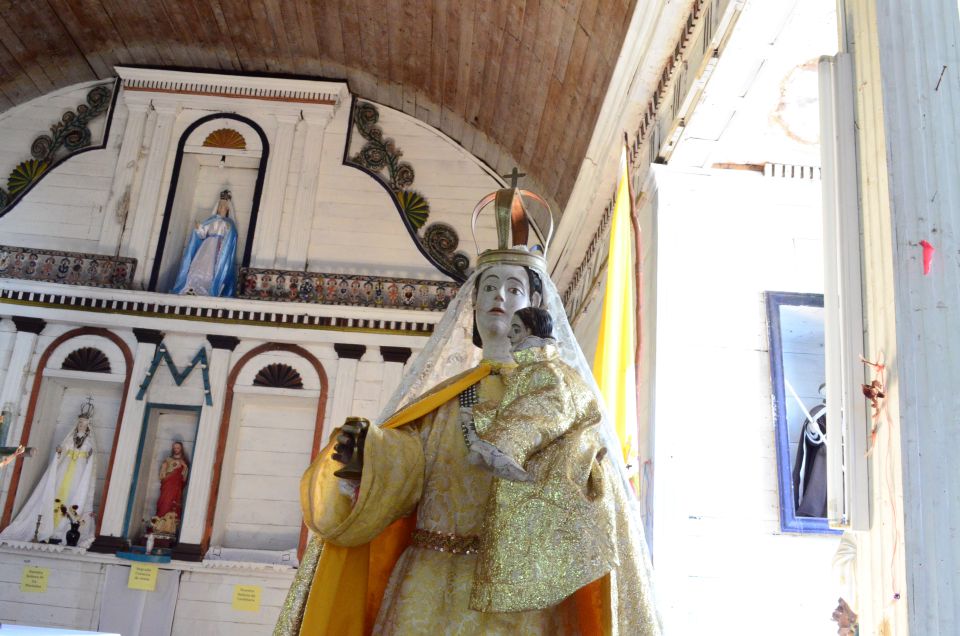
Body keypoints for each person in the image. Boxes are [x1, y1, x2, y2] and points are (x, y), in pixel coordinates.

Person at [276, 188, 658, 635]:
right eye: (489, 287)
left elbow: (594, 488)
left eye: (513, 288)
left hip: (517, 600)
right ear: (471, 306)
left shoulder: (563, 396)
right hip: (427, 584)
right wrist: (369, 457)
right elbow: (410, 463)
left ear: (534, 310)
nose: (498, 296)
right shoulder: (447, 400)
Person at [0, 401, 97, 547]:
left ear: (88, 424)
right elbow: (63, 448)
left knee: (74, 495)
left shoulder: (89, 440)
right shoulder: (70, 437)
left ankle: (62, 529)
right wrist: (60, 451)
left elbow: (92, 457)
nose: (81, 425)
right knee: (57, 492)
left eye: (84, 423)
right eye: (80, 422)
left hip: (79, 470)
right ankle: (47, 528)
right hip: (65, 468)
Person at [171, 189, 238, 297]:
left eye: (223, 207)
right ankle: (192, 287)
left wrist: (230, 231)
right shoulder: (211, 220)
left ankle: (206, 290)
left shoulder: (228, 223)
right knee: (197, 267)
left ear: (227, 209)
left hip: (218, 249)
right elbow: (202, 234)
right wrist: (199, 229)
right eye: (220, 206)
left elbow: (231, 237)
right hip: (206, 247)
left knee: (211, 271)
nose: (221, 209)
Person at [153, 441, 189, 536]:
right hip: (167, 486)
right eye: (174, 447)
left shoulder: (184, 461)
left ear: (181, 449)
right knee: (163, 502)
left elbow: (184, 478)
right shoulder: (168, 460)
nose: (176, 449)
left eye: (178, 448)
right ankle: (158, 526)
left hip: (176, 488)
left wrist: (184, 467)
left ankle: (170, 529)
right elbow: (162, 476)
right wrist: (164, 468)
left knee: (173, 505)